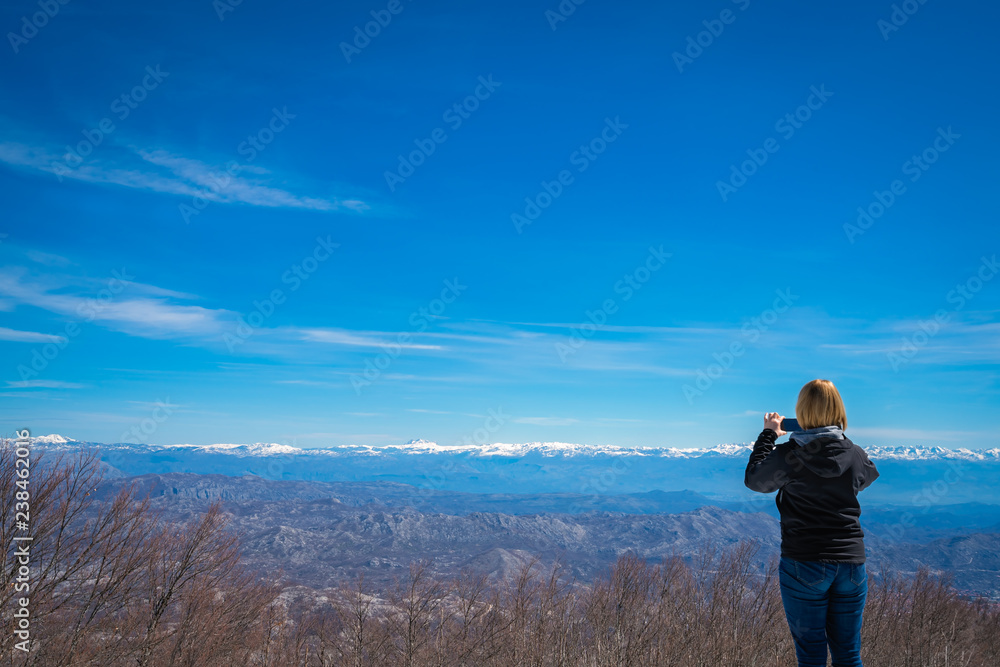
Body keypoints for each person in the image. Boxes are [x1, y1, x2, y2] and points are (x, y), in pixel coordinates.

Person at [744, 379, 880, 667]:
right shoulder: (854, 454)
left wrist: (769, 435)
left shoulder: (790, 456)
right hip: (852, 564)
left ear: (801, 412)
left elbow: (755, 480)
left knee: (811, 654)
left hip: (805, 561)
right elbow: (866, 477)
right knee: (849, 653)